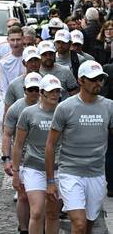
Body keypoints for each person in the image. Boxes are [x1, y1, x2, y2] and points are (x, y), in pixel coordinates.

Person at [46, 60, 113, 234]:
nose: (98, 82)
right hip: (70, 173)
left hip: (97, 174)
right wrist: (51, 181)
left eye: (101, 79)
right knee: (79, 223)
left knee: (89, 224)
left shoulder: (109, 106)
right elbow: (51, 144)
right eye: (93, 79)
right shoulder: (65, 108)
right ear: (81, 81)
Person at [12, 74, 62, 234]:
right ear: (42, 92)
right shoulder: (28, 113)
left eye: (57, 91)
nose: (55, 94)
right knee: (37, 211)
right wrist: (15, 172)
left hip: (58, 168)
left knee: (53, 213)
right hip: (34, 167)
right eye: (51, 91)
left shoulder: (64, 111)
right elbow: (18, 144)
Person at [2, 72, 42, 234]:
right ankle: (24, 229)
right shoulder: (16, 108)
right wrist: (6, 159)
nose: (33, 93)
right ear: (25, 90)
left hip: (43, 159)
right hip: (24, 159)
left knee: (43, 199)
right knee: (23, 195)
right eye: (30, 89)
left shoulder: (52, 107)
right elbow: (6, 134)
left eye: (37, 89)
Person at [0, 26, 26, 122]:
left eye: (18, 40)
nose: (15, 43)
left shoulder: (31, 57)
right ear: (8, 40)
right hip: (12, 101)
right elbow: (3, 88)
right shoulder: (4, 62)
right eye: (12, 40)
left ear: (23, 39)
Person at [4, 46, 42, 111]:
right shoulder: (14, 85)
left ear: (40, 61)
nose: (33, 63)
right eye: (30, 61)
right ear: (24, 63)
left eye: (36, 60)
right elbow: (8, 112)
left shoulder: (47, 81)